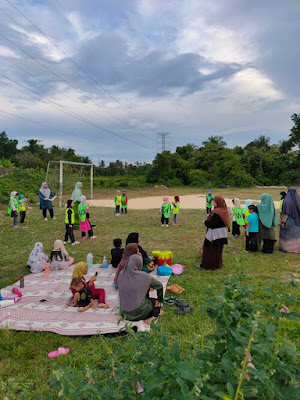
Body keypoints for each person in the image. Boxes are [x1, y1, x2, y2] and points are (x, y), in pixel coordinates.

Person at [117, 254, 164, 325]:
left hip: (124, 312)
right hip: (140, 313)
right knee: (156, 303)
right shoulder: (144, 276)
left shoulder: (121, 274)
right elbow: (159, 286)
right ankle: (153, 316)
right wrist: (160, 300)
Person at [197, 196, 230, 270]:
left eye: (214, 202)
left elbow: (212, 224)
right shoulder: (224, 210)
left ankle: (207, 266)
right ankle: (217, 265)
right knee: (218, 250)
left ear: (217, 203)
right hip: (222, 233)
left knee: (209, 250)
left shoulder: (216, 212)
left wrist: (205, 222)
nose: (213, 203)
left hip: (214, 234)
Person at [279, 187, 300, 253]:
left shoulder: (286, 201)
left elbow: (285, 213)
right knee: (296, 234)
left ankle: (287, 248)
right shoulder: (298, 199)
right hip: (297, 220)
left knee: (288, 234)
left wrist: (283, 222)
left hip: (288, 220)